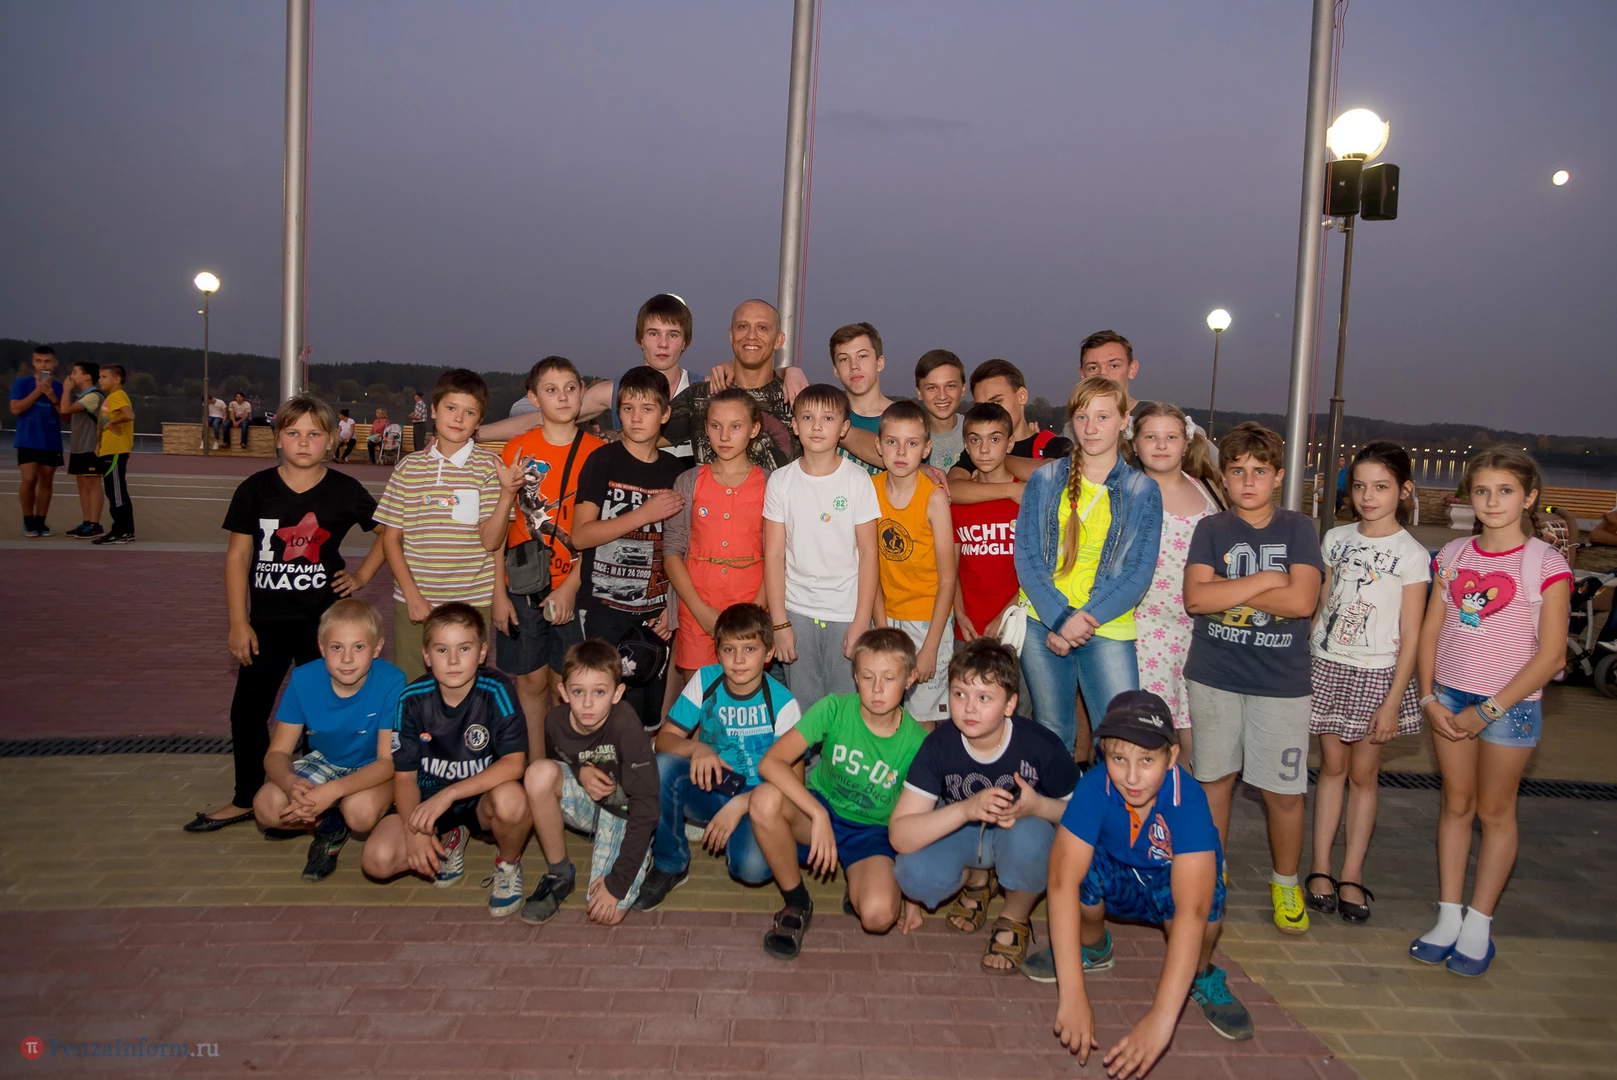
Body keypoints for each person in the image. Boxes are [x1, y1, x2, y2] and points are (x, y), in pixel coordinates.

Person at [184, 395, 386, 833]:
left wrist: (361, 576)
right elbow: (238, 557)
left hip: (324, 626)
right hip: (267, 624)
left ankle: (318, 799)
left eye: (314, 434)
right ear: (278, 438)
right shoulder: (255, 489)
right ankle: (245, 797)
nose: (304, 442)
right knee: (247, 711)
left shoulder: (344, 490)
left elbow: (389, 531)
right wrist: (238, 622)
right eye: (293, 433)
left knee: (321, 714)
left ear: (331, 441)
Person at [1410, 447, 1571, 976]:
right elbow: (1432, 628)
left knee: (1494, 812)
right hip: (1449, 698)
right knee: (1455, 805)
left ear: (1529, 498)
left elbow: (1552, 656)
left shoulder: (1546, 565)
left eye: (1505, 491)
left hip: (1509, 708)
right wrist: (1429, 697)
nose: (1493, 501)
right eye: (1482, 490)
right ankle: (1448, 915)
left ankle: (1479, 923)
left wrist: (1489, 709)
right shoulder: (1454, 555)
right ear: (1468, 497)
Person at [1048, 690, 1254, 1076]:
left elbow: (1192, 909)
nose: (1131, 777)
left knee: (1207, 909)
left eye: (1147, 760)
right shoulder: (1094, 786)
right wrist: (1071, 992)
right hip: (1118, 875)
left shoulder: (1187, 799)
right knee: (1075, 873)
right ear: (1103, 753)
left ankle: (1201, 974)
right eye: (1119, 759)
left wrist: (1161, 1019)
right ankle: (1092, 947)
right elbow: (1061, 882)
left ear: (1171, 757)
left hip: (1168, 879)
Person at [1182, 421, 1324, 936]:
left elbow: (1302, 601)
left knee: (1283, 792)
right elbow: (1196, 598)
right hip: (1215, 675)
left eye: (1259, 471)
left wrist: (1228, 588)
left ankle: (1285, 881)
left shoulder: (1298, 529)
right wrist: (1265, 580)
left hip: (1281, 682)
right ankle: (1212, 871)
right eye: (1237, 471)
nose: (1248, 481)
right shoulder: (1212, 529)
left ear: (1278, 476)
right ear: (1223, 476)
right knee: (1214, 781)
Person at [890, 639, 1078, 975]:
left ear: (1010, 704)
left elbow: (1084, 815)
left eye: (984, 698)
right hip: (967, 835)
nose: (969, 708)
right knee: (911, 873)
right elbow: (900, 835)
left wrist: (1039, 807)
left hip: (1019, 834)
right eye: (959, 694)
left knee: (1030, 837)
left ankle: (1014, 916)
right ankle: (979, 880)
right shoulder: (938, 746)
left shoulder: (1040, 745)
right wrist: (966, 809)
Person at [749, 628, 929, 958]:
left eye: (889, 678)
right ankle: (796, 902)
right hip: (822, 810)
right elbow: (770, 762)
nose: (877, 688)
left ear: (910, 678)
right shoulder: (834, 708)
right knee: (764, 800)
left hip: (873, 832)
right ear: (855, 677)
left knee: (878, 917)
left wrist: (913, 898)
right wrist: (817, 813)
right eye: (868, 677)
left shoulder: (918, 744)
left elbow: (915, 822)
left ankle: (859, 877)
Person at [1306, 442, 1429, 924]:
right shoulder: (1335, 539)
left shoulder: (1412, 555)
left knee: (1363, 773)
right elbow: (1323, 602)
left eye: (1381, 487)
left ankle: (1352, 872)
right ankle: (1320, 867)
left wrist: (1394, 700)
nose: (1368, 496)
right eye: (1359, 486)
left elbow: (1413, 633)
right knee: (1331, 766)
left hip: (1378, 674)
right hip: (1328, 664)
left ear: (1404, 490)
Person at [1014, 377, 1160, 757]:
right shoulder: (1044, 480)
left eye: (1103, 417)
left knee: (1123, 738)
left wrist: (1079, 622)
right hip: (1043, 625)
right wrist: (1061, 619)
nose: (1091, 428)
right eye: (1082, 417)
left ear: (1124, 420)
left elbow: (1137, 573)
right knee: (1053, 737)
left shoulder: (1142, 490)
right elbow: (1027, 557)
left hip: (1108, 627)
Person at [363, 604, 530, 915]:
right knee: (378, 862)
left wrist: (450, 794)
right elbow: (404, 777)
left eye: (464, 648)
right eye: (442, 650)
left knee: (513, 800)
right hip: (428, 801)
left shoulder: (497, 690)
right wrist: (414, 833)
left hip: (479, 798)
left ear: (482, 652)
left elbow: (515, 763)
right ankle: (450, 834)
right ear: (427, 655)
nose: (453, 660)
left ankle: (508, 864)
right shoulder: (411, 699)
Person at [638, 603, 802, 909]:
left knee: (752, 869)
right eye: (729, 650)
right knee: (662, 767)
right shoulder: (705, 681)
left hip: (756, 799)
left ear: (769, 653)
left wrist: (741, 806)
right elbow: (664, 741)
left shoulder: (783, 703)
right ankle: (670, 863)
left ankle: (734, 831)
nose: (738, 660)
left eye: (749, 649)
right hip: (711, 784)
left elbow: (795, 784)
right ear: (717, 652)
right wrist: (696, 748)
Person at [491, 356, 604, 745]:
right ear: (534, 398)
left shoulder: (598, 453)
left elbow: (602, 532)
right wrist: (498, 593)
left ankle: (564, 762)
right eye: (551, 390)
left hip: (574, 585)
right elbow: (500, 530)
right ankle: (536, 761)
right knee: (530, 682)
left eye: (571, 388)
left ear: (582, 391)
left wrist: (571, 585)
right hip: (523, 586)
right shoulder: (517, 449)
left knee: (566, 683)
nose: (563, 397)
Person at [251, 598, 406, 881]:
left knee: (359, 813)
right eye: (336, 647)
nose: (347, 658)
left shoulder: (392, 680)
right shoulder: (303, 678)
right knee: (266, 807)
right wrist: (290, 783)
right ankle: (329, 824)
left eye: (359, 647)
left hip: (373, 766)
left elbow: (387, 762)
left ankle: (376, 810)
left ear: (377, 648)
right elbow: (277, 753)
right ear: (321, 647)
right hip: (327, 761)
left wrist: (331, 791)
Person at [569, 366, 685, 730]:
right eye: (628, 408)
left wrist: (671, 606)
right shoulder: (603, 460)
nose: (636, 417)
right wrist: (642, 514)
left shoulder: (675, 471)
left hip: (653, 614)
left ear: (664, 413)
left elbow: (679, 549)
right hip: (604, 610)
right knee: (601, 709)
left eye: (647, 408)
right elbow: (580, 536)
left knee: (644, 719)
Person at [375, 369, 505, 682]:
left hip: (473, 601)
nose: (458, 418)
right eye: (450, 408)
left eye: (469, 412)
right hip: (416, 602)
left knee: (468, 686)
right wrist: (412, 595)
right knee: (412, 685)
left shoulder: (490, 468)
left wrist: (499, 595)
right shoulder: (408, 468)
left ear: (479, 420)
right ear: (433, 410)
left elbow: (494, 542)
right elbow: (391, 540)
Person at [519, 639, 660, 924]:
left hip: (624, 812)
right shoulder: (555, 722)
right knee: (537, 773)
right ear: (563, 692)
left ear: (617, 693)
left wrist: (617, 883)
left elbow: (646, 808)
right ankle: (559, 874)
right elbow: (562, 757)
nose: (587, 703)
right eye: (578, 691)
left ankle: (641, 851)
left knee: (607, 913)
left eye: (599, 692)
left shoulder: (626, 726)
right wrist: (580, 769)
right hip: (589, 801)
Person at [764, 384, 881, 704]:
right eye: (807, 417)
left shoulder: (858, 480)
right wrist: (780, 623)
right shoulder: (780, 481)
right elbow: (773, 554)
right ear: (794, 425)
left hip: (847, 612)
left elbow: (869, 554)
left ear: (844, 428)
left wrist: (861, 621)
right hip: (796, 611)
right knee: (804, 712)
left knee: (847, 709)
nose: (817, 426)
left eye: (828, 418)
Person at [1130, 402, 1224, 763]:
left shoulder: (1208, 489)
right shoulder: (1125, 493)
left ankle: (1183, 798)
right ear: (1134, 443)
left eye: (1170, 437)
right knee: (1148, 738)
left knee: (1197, 740)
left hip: (1200, 635)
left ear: (1186, 443)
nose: (1161, 444)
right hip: (1144, 635)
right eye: (1150, 437)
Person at [664, 389, 769, 678]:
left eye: (735, 426)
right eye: (715, 426)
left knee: (744, 693)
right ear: (705, 428)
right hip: (697, 605)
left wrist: (755, 612)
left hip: (751, 606)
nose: (724, 436)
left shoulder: (771, 484)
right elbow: (671, 552)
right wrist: (699, 610)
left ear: (754, 429)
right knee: (701, 693)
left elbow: (777, 555)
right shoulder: (688, 481)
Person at [873, 399, 958, 721]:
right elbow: (869, 568)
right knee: (883, 712)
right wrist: (881, 629)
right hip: (885, 616)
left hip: (927, 621)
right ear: (879, 446)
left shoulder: (934, 498)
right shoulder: (869, 490)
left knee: (922, 721)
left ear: (926, 449)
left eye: (911, 444)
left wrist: (931, 647)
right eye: (892, 442)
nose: (900, 452)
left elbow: (948, 578)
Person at [664, 299, 799, 470]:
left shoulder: (796, 399)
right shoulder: (700, 396)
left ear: (779, 340)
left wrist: (791, 370)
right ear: (731, 335)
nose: (751, 336)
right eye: (742, 326)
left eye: (762, 328)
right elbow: (641, 436)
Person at [1073, 330, 1218, 465]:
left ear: (1132, 369)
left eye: (1114, 366)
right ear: (1082, 374)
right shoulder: (1074, 430)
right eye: (1093, 368)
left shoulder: (1160, 418)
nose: (1103, 374)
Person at [948, 358, 1071, 505]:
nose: (990, 411)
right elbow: (950, 489)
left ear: (1022, 396)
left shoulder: (1055, 445)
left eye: (997, 402)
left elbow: (1053, 477)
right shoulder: (978, 449)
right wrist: (1010, 490)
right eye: (981, 406)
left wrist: (1001, 458)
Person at [950, 403, 1023, 642]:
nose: (983, 449)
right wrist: (960, 614)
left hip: (1016, 625)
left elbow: (1037, 572)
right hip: (967, 629)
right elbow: (951, 567)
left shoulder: (1025, 497)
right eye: (975, 440)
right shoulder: (959, 501)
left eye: (994, 439)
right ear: (965, 445)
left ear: (1009, 444)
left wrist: (1005, 615)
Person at [825, 321, 893, 475]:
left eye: (862, 356)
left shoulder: (906, 419)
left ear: (880, 362)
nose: (854, 365)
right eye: (844, 359)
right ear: (835, 370)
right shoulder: (823, 417)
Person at [11, 344, 63, 537]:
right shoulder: (22, 383)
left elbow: (66, 416)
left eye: (47, 361)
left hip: (51, 440)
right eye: (39, 361)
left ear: (54, 363)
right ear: (33, 363)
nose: (43, 365)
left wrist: (52, 396)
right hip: (27, 438)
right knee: (29, 479)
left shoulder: (59, 387)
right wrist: (37, 393)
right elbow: (15, 409)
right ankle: (28, 520)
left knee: (46, 480)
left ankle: (41, 521)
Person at [59, 360, 106, 538]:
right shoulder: (82, 397)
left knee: (93, 484)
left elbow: (65, 409)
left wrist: (66, 390)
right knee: (82, 484)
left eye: (75, 372)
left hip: (90, 447)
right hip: (79, 447)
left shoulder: (93, 396)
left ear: (87, 376)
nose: (71, 376)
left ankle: (95, 523)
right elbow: (65, 413)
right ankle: (86, 521)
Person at [90, 364, 136, 545]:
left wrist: (113, 423)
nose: (100, 380)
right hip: (108, 449)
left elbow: (129, 415)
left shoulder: (118, 395)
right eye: (99, 376)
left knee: (116, 492)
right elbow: (103, 423)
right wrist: (100, 443)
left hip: (116, 451)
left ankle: (121, 531)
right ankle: (125, 530)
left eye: (104, 377)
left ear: (117, 379)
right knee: (114, 490)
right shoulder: (111, 398)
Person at [914, 349, 967, 470]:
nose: (942, 396)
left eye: (950, 386)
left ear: (963, 389)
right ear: (919, 392)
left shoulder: (978, 432)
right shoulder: (909, 438)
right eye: (932, 388)